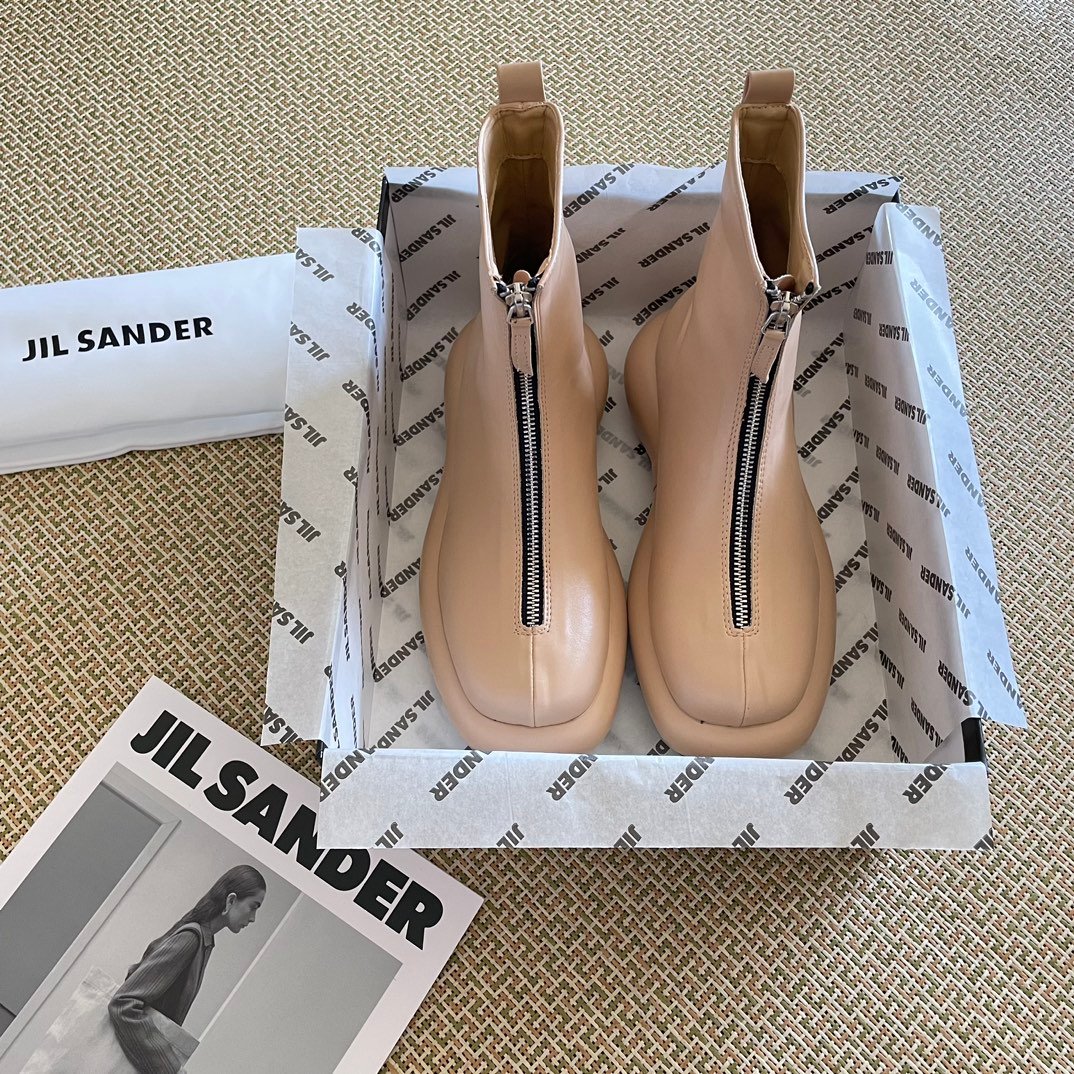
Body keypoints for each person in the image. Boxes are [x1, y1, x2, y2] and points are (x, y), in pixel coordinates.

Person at [108, 864, 266, 1074]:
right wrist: (171, 1069)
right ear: (231, 900)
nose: (253, 918)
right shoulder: (191, 940)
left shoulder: (202, 943)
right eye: (253, 906)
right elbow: (123, 1003)